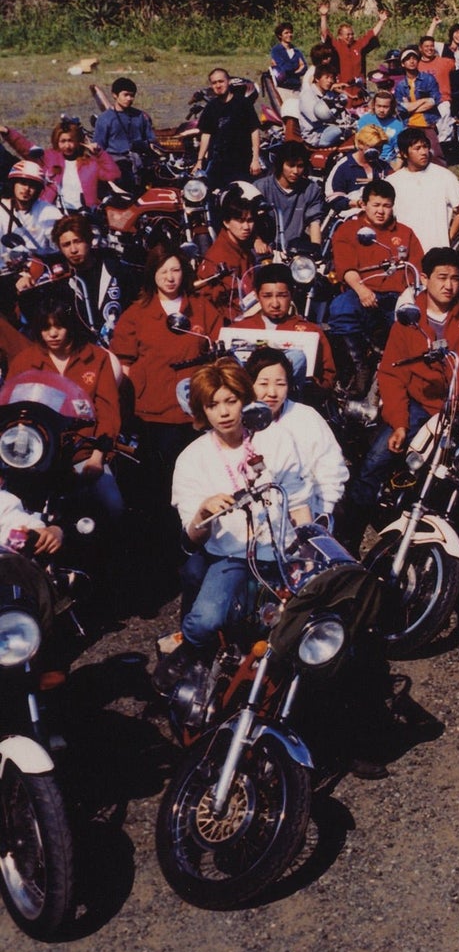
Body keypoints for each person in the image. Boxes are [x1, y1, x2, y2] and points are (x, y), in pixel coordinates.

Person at [159, 358, 319, 688]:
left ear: (245, 400)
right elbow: (192, 537)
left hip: (282, 553)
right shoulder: (192, 459)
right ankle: (188, 650)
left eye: (231, 400)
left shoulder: (275, 439)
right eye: (213, 405)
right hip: (231, 555)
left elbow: (299, 500)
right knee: (206, 622)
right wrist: (204, 511)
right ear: (202, 411)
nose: (224, 412)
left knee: (303, 629)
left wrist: (308, 551)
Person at [349, 247, 459, 537]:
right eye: (441, 277)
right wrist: (398, 423)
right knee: (375, 461)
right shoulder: (409, 318)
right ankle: (350, 536)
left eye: (456, 278)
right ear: (425, 278)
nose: (449, 285)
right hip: (420, 407)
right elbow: (392, 374)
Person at [111, 244, 224, 531]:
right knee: (157, 481)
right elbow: (122, 360)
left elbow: (220, 348)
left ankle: (194, 531)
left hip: (193, 409)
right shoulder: (137, 313)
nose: (170, 278)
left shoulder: (201, 308)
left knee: (194, 474)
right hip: (152, 409)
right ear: (153, 275)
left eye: (175, 270)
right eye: (163, 272)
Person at [9, 301, 125, 526]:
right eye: (45, 328)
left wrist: (97, 457)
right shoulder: (25, 360)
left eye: (59, 326)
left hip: (85, 454)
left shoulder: (97, 357)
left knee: (113, 505)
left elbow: (108, 410)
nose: (52, 334)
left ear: (70, 326)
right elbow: (14, 412)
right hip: (38, 457)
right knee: (27, 514)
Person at [328, 179, 421, 389]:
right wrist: (361, 290)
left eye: (386, 206)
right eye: (376, 205)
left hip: (398, 296)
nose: (381, 211)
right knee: (340, 309)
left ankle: (404, 375)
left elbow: (417, 268)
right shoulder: (349, 230)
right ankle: (361, 362)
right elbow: (346, 267)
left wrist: (412, 293)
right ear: (364, 204)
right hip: (364, 292)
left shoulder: (405, 232)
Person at [245, 345, 349, 523]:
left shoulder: (306, 417)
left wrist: (323, 511)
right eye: (263, 384)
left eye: (280, 384)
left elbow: (331, 468)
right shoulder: (240, 421)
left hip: (306, 512)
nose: (272, 392)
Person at [229, 263, 338, 392]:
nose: (275, 304)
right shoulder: (240, 329)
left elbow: (328, 375)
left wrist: (313, 386)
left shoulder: (310, 331)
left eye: (282, 295)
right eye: (267, 296)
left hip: (294, 397)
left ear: (291, 295)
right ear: (257, 296)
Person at [0, 118, 120, 211]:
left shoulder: (90, 163)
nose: (67, 146)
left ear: (78, 142)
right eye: (63, 141)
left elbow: (113, 175)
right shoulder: (48, 157)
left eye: (71, 141)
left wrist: (99, 153)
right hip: (53, 210)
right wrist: (7, 132)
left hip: (85, 213)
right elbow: (26, 147)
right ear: (56, 141)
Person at [52, 213, 131, 343]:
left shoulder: (115, 268)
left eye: (78, 241)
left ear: (89, 240)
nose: (73, 250)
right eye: (66, 245)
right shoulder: (61, 282)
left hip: (122, 343)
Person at [389, 128, 459, 253]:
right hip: (405, 251)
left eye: (425, 147)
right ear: (404, 154)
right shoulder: (392, 182)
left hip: (437, 252)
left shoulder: (444, 176)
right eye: (417, 148)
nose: (423, 152)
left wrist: (449, 237)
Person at [198, 188, 268, 320]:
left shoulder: (240, 247)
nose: (246, 227)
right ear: (226, 222)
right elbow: (230, 305)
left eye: (250, 220)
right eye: (240, 221)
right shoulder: (220, 256)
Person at [194, 69, 264, 188]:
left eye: (221, 81)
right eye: (214, 83)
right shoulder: (211, 107)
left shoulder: (243, 103)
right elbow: (206, 135)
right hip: (217, 162)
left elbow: (254, 131)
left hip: (242, 161)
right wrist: (199, 161)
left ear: (229, 82)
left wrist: (255, 159)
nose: (218, 85)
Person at [256, 141, 325, 251]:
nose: (295, 171)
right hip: (266, 249)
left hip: (296, 250)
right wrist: (257, 241)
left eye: (300, 166)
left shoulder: (311, 189)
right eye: (291, 165)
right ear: (281, 164)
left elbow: (315, 222)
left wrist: (315, 249)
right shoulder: (261, 187)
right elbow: (250, 220)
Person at [93, 76, 158, 187]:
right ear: (115, 95)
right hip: (117, 163)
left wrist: (145, 145)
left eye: (132, 95)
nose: (129, 98)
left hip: (140, 161)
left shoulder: (140, 116)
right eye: (125, 95)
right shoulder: (105, 119)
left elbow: (152, 139)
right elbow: (99, 148)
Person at [0, 160, 63, 253]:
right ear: (13, 184)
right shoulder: (1, 210)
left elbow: (59, 245)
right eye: (22, 182)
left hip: (38, 265)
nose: (26, 189)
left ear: (38, 190)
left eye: (32, 185)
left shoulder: (48, 211)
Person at [319, 0, 387, 85]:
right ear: (340, 36)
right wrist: (323, 16)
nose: (350, 37)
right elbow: (325, 34)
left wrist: (381, 21)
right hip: (342, 87)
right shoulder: (336, 45)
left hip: (359, 87)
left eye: (352, 34)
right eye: (347, 35)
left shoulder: (358, 45)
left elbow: (371, 35)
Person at [325, 124, 386, 205]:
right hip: (351, 211)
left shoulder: (383, 166)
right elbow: (332, 198)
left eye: (379, 147)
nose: (377, 151)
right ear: (360, 144)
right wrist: (356, 203)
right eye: (373, 147)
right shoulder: (344, 166)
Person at [298, 61, 345, 148]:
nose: (330, 81)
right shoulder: (307, 95)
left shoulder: (329, 94)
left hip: (326, 129)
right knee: (341, 131)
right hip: (315, 135)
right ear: (317, 79)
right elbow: (316, 117)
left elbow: (340, 110)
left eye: (332, 78)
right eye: (326, 77)